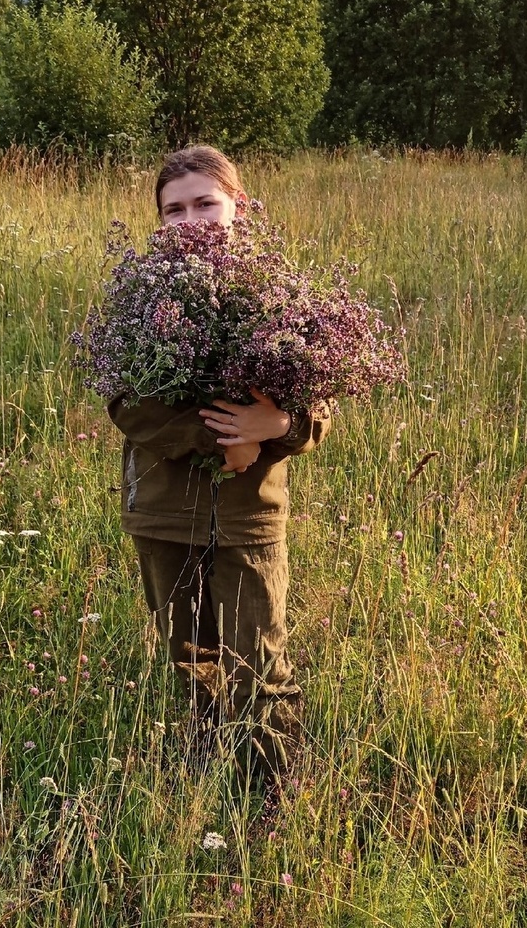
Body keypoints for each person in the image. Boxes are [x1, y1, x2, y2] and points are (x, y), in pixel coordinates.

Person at [106, 145, 330, 779]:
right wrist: (226, 440)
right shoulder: (138, 302)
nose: (192, 220)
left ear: (238, 208)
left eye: (206, 203)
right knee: (188, 657)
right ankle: (203, 780)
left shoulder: (276, 298)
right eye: (174, 210)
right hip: (162, 515)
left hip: (249, 518)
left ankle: (273, 795)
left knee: (261, 661)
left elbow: (319, 406)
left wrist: (280, 424)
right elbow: (129, 407)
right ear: (159, 224)